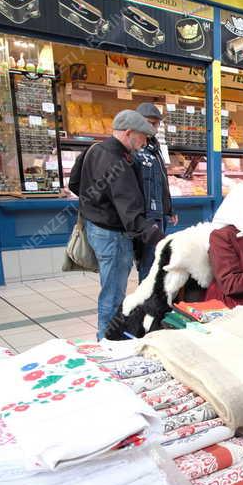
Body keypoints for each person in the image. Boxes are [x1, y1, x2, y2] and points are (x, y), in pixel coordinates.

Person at [76, 110, 162, 339]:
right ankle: (106, 340)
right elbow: (129, 209)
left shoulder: (94, 149)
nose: (145, 142)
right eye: (143, 137)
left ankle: (109, 335)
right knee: (113, 294)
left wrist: (97, 203)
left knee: (110, 288)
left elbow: (75, 182)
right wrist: (155, 236)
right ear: (128, 133)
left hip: (95, 227)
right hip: (113, 234)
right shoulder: (118, 161)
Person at [133, 102, 177, 282]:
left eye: (156, 124)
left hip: (159, 213)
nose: (153, 127)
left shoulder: (155, 147)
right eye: (150, 123)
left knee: (158, 259)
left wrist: (169, 209)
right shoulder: (134, 148)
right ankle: (146, 300)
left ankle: (153, 296)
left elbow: (161, 180)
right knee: (148, 262)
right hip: (144, 216)